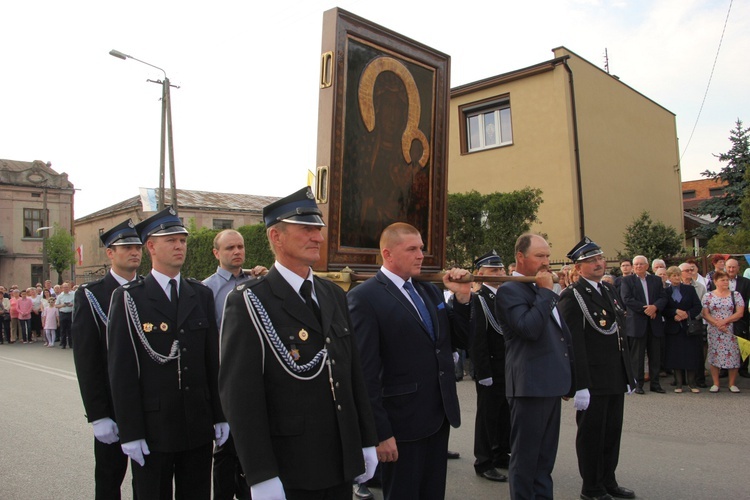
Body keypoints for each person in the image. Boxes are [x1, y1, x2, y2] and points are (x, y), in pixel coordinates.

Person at [220, 187, 378, 500]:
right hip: (290, 463)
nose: (318, 238)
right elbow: (240, 396)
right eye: (306, 229)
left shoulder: (332, 294)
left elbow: (351, 372)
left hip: (340, 457)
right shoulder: (251, 301)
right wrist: (260, 473)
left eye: (318, 230)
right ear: (276, 237)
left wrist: (365, 439)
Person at [107, 206, 228, 499]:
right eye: (171, 240)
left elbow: (211, 361)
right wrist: (131, 431)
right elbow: (121, 371)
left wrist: (220, 415)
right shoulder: (129, 298)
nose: (179, 246)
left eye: (183, 240)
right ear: (151, 246)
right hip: (154, 429)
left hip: (196, 425)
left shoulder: (199, 293)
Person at [347, 222, 472, 500]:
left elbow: (460, 340)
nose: (421, 256)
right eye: (412, 249)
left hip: (438, 416)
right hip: (400, 423)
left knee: (432, 493)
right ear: (388, 254)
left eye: (422, 249)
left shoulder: (429, 292)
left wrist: (463, 299)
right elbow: (365, 373)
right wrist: (379, 433)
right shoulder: (364, 298)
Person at [494, 233, 574, 500]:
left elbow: (561, 335)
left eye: (548, 256)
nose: (546, 262)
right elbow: (528, 328)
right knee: (526, 459)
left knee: (544, 459)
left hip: (550, 383)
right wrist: (543, 293)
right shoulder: (510, 290)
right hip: (529, 386)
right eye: (540, 256)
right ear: (520, 257)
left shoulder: (541, 288)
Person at [558, 237, 636, 500]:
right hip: (592, 379)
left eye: (600, 258)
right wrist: (579, 385)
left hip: (614, 375)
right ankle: (591, 487)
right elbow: (573, 344)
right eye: (590, 260)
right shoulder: (573, 296)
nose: (598, 263)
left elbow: (619, 335)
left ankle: (608, 480)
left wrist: (627, 374)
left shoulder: (609, 290)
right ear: (578, 268)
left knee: (612, 432)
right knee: (592, 435)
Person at [72, 219, 142, 499]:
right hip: (112, 406)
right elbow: (87, 361)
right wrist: (98, 415)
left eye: (137, 246)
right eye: (126, 247)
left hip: (148, 405)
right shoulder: (91, 295)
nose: (134, 252)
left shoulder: (149, 290)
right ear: (110, 253)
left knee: (149, 481)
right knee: (109, 479)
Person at [203, 229, 265, 500]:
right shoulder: (207, 290)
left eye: (240, 246)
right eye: (229, 248)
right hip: (225, 377)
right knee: (226, 448)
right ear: (217, 253)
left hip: (256, 376)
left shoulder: (258, 281)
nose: (237, 251)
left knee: (254, 444)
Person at [468, 250, 509, 483]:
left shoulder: (504, 296)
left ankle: (501, 453)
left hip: (508, 367)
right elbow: (477, 340)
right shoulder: (479, 299)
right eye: (494, 269)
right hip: (491, 369)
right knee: (487, 417)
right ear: (480, 274)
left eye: (501, 269)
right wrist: (483, 372)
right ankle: (483, 461)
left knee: (505, 415)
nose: (500, 272)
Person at [620, 255, 667, 394]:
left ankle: (656, 383)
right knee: (637, 356)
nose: (638, 266)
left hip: (654, 322)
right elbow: (627, 299)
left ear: (647, 266)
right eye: (636, 264)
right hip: (637, 323)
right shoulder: (627, 280)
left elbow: (663, 297)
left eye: (641, 264)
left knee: (655, 355)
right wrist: (647, 309)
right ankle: (638, 384)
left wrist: (655, 307)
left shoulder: (656, 280)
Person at [702, 270, 745, 393]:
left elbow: (740, 313)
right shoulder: (708, 296)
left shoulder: (735, 295)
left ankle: (732, 384)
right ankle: (716, 383)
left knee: (733, 356)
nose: (726, 282)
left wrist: (724, 321)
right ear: (715, 282)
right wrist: (717, 323)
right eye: (723, 280)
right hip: (714, 330)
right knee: (714, 354)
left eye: (727, 280)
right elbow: (705, 314)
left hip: (730, 330)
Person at [663, 266, 703, 393]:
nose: (676, 278)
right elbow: (663, 309)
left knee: (690, 355)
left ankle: (692, 383)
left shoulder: (689, 289)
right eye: (673, 276)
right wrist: (674, 313)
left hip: (688, 328)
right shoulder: (665, 292)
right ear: (669, 278)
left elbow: (697, 306)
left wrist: (687, 314)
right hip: (673, 328)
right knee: (676, 356)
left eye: (677, 275)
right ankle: (679, 384)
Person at [708, 258, 750, 378]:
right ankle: (724, 369)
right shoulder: (714, 282)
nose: (731, 269)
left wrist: (736, 313)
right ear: (725, 267)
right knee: (722, 345)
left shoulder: (746, 282)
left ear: (738, 268)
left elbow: (747, 300)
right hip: (720, 321)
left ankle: (742, 368)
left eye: (734, 267)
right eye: (729, 267)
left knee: (741, 343)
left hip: (740, 319)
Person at [55, 282, 75, 348]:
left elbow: (77, 302)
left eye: (67, 287)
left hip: (70, 312)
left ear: (69, 288)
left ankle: (71, 344)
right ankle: (63, 344)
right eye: (64, 287)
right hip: (63, 313)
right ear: (62, 288)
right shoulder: (60, 296)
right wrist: (62, 305)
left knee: (70, 329)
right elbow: (56, 305)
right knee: (63, 329)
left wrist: (72, 304)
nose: (66, 288)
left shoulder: (73, 294)